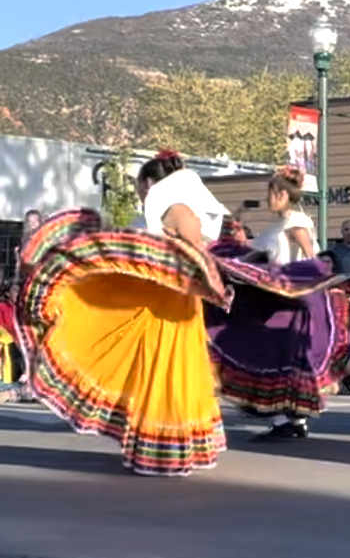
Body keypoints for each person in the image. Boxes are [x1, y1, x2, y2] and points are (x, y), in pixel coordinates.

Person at [17, 150, 232, 476]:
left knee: (163, 371)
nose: (140, 193)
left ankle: (163, 450)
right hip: (165, 301)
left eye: (140, 186)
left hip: (170, 304)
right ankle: (162, 448)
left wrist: (212, 289)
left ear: (150, 183)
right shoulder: (170, 211)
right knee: (159, 372)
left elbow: (194, 262)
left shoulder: (178, 210)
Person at [207, 166, 350, 441]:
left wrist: (305, 277)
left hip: (292, 303)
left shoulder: (296, 223)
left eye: (270, 193)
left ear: (282, 194)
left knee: (275, 358)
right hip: (277, 302)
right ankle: (292, 420)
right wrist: (232, 233)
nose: (267, 199)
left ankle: (287, 420)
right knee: (279, 360)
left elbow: (311, 258)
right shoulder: (276, 227)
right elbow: (248, 254)